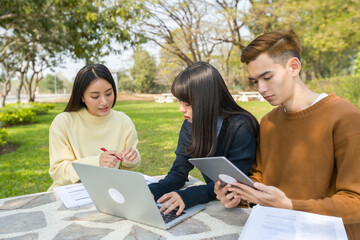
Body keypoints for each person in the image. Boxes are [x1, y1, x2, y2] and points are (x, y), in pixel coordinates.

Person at [214, 30, 360, 239]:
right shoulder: (268, 122)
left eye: (267, 77)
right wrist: (239, 195)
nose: (261, 89)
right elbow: (260, 177)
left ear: (293, 66)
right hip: (275, 230)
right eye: (255, 81)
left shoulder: (345, 117)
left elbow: (356, 202)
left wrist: (289, 206)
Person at [148, 62, 259, 216]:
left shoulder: (241, 127)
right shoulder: (190, 125)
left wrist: (190, 196)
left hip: (247, 207)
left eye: (187, 103)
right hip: (222, 203)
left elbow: (233, 181)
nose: (181, 109)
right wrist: (154, 190)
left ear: (207, 101)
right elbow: (179, 171)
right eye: (180, 102)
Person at [48, 64, 140, 190]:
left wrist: (131, 159)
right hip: (71, 193)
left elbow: (127, 169)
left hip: (109, 191)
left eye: (109, 93)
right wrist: (96, 163)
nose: (104, 102)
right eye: (95, 97)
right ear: (82, 97)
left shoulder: (123, 121)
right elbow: (58, 172)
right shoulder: (64, 122)